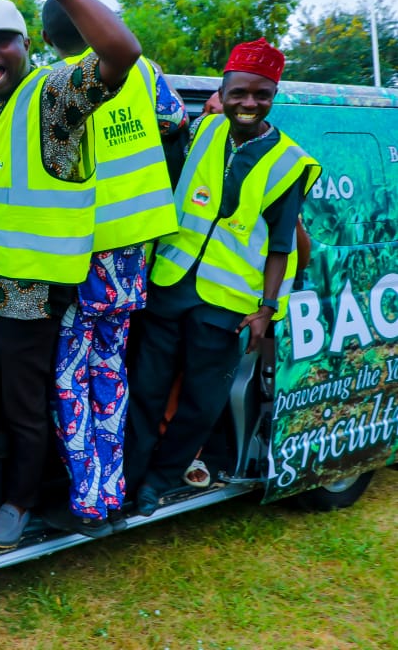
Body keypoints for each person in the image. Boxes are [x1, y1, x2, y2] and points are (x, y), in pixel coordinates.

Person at [0, 0, 142, 553]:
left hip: (39, 293)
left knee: (27, 405)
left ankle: (20, 501)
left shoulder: (53, 93)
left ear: (26, 43)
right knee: (3, 404)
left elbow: (121, 54)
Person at [124, 39, 321, 517]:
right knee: (146, 389)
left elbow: (280, 244)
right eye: (239, 93)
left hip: (228, 303)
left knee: (201, 402)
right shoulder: (203, 131)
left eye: (261, 94)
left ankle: (159, 481)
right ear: (223, 91)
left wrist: (266, 309)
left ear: (273, 95)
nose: (249, 103)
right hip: (170, 285)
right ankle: (127, 478)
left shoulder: (290, 161)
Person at [39, 0, 184, 537]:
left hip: (82, 257)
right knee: (111, 373)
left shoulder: (56, 83)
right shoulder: (146, 74)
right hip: (131, 257)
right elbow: (175, 119)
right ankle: (113, 489)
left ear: (51, 40)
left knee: (69, 378)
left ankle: (88, 500)